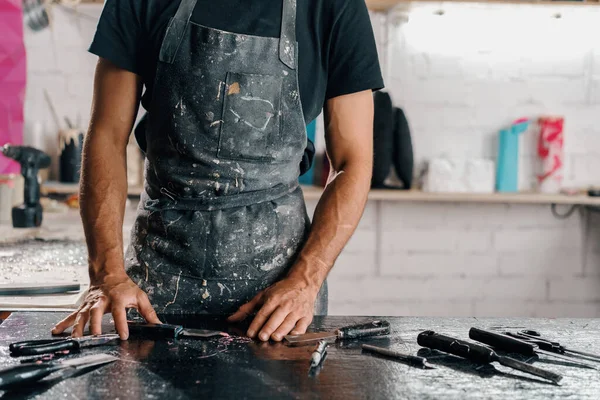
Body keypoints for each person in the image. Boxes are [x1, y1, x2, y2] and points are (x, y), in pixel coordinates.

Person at [52, 0, 383, 342]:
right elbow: (106, 136)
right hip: (153, 293)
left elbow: (351, 162)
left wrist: (305, 280)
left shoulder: (335, 7)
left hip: (276, 305)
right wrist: (107, 274)